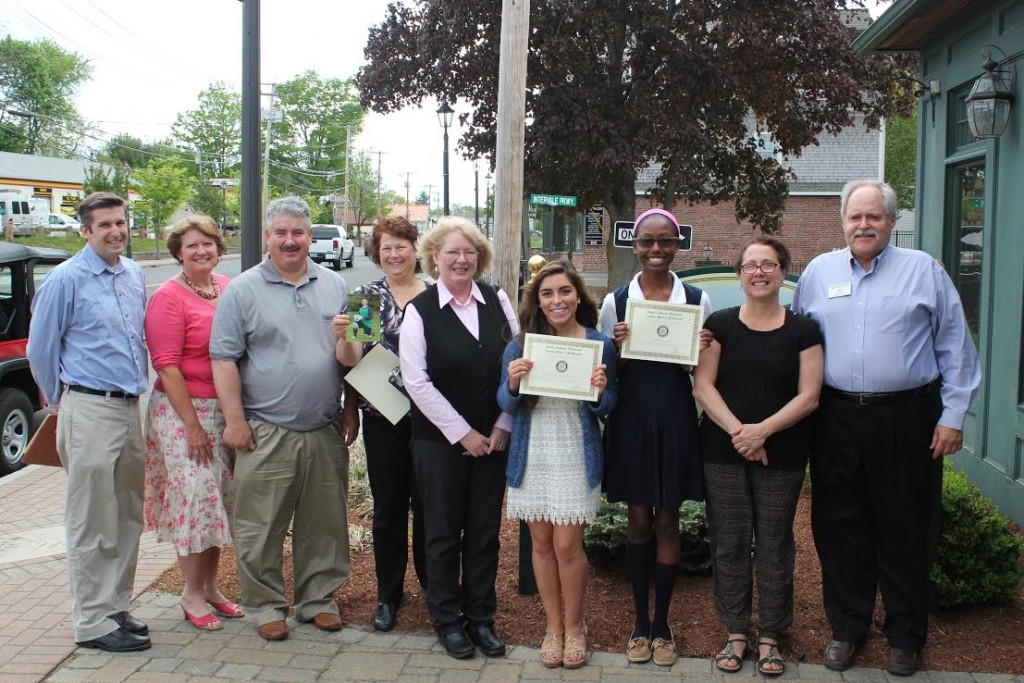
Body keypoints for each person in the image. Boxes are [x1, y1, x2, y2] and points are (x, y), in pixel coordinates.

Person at [792, 180, 981, 677]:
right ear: (842, 222)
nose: (864, 225)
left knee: (905, 526)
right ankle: (848, 627)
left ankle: (905, 635)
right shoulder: (818, 273)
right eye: (855, 217)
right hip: (835, 419)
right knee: (839, 525)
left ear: (892, 222)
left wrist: (953, 415)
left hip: (906, 418)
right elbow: (794, 339)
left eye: (874, 216)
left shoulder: (925, 272)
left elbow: (955, 347)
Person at [210, 196, 357, 642]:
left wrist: (351, 408)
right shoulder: (242, 290)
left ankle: (318, 600)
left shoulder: (337, 285)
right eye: (281, 233)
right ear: (267, 237)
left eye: (298, 232)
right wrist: (234, 421)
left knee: (324, 524)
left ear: (311, 236)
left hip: (324, 426)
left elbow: (354, 356)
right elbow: (223, 359)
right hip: (265, 429)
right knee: (260, 526)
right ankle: (265, 605)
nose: (289, 241)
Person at [692, 237, 824, 677]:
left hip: (783, 454)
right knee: (729, 541)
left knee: (774, 542)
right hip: (723, 451)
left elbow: (809, 396)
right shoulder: (720, 324)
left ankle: (770, 634)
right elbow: (703, 386)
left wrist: (762, 431)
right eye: (750, 265)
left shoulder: (803, 330)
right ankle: (735, 630)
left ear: (784, 272)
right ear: (739, 274)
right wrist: (741, 433)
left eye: (769, 264)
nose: (759, 272)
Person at [26, 191, 151, 652]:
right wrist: (63, 403)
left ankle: (116, 606)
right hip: (88, 407)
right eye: (105, 225)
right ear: (85, 231)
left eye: (120, 222)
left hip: (129, 407)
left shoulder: (133, 273)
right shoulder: (66, 279)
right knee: (91, 519)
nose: (116, 232)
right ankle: (92, 622)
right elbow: (41, 350)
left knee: (127, 515)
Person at [399, 216, 518, 660]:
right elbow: (417, 382)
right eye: (452, 252)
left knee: (485, 533)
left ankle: (482, 618)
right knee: (443, 534)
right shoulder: (420, 310)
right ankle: (447, 620)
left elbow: (518, 363)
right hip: (439, 444)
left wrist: (503, 424)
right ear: (434, 257)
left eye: (469, 252)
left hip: (494, 439)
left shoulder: (497, 299)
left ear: (480, 257)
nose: (461, 260)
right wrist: (463, 434)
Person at [597, 208, 712, 667]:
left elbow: (702, 372)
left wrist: (697, 352)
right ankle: (639, 624)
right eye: (647, 241)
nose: (656, 249)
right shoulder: (616, 301)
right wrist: (618, 349)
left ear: (677, 244)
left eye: (665, 241)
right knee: (639, 520)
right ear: (635, 244)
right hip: (631, 420)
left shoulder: (697, 299)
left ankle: (662, 624)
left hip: (675, 418)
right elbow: (603, 374)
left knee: (668, 521)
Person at [498, 260, 618, 669]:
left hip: (575, 448)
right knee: (541, 543)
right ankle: (553, 628)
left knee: (567, 545)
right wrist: (513, 383)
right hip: (532, 449)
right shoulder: (522, 344)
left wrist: (600, 391)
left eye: (564, 291)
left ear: (578, 296)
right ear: (537, 300)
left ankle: (575, 625)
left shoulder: (599, 344)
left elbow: (610, 405)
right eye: (547, 294)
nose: (557, 300)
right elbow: (504, 401)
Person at [143, 214, 241, 632]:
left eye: (207, 244)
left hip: (223, 408)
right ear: (178, 254)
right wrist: (193, 427)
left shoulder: (227, 287)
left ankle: (212, 588)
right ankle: (191, 593)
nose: (201, 251)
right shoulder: (167, 297)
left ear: (218, 247)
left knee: (216, 502)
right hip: (182, 412)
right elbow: (167, 367)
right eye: (191, 246)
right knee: (195, 499)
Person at [336, 216, 428, 633]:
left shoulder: (435, 296)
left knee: (430, 507)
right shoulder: (367, 298)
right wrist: (351, 407)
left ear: (415, 249)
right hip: (383, 418)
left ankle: (433, 587)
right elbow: (352, 360)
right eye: (386, 247)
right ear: (377, 252)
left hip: (433, 422)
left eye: (401, 246)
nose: (394, 254)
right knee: (388, 508)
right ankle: (388, 595)